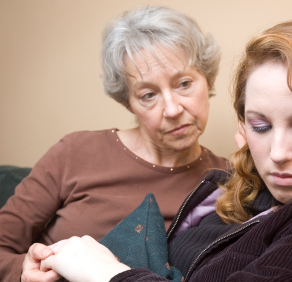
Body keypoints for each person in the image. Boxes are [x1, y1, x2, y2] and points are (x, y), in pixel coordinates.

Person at [37, 20, 292, 281]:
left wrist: (106, 273)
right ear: (242, 127)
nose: (277, 152)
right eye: (261, 126)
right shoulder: (237, 194)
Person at [0, 6, 230, 282]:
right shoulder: (75, 152)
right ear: (129, 102)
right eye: (148, 95)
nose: (171, 109)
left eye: (184, 83)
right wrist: (23, 272)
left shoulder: (231, 184)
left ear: (207, 80)